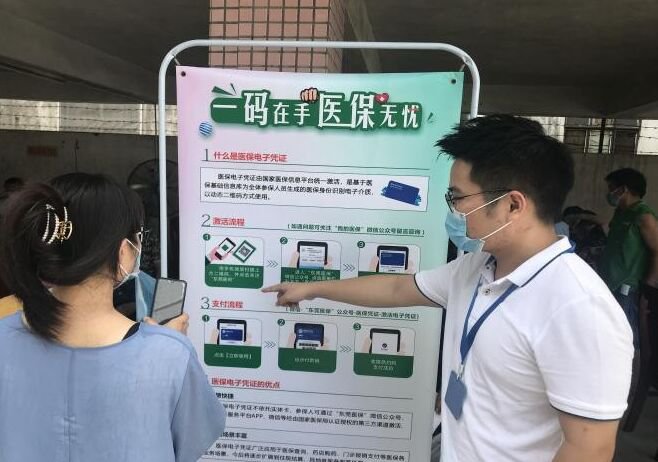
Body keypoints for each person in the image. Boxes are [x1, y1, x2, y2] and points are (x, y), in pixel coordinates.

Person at [264, 115, 633, 462]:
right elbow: (397, 288)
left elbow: (591, 448)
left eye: (458, 197)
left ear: (512, 204)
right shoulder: (477, 267)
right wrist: (312, 288)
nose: (453, 209)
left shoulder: (578, 308)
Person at [0, 173, 225, 462]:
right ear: (123, 252)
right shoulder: (170, 354)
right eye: (138, 236)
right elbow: (192, 441)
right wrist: (167, 347)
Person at [600, 168, 658, 346]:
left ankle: (634, 364)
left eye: (611, 188)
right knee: (612, 333)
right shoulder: (621, 212)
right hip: (611, 282)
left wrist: (648, 286)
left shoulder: (644, 216)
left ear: (623, 189)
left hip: (628, 288)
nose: (609, 193)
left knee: (628, 336)